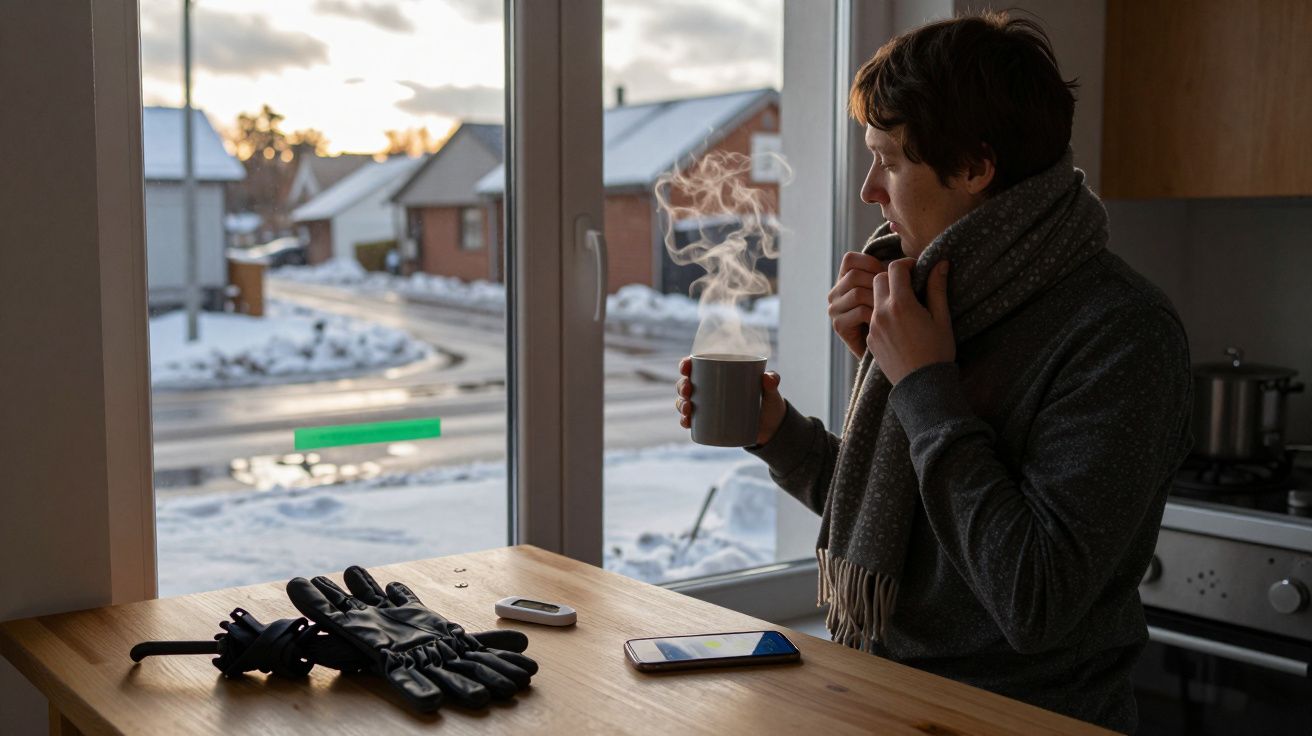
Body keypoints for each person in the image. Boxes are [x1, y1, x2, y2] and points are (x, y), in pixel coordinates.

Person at [675, 11, 1191, 733]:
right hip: (881, 701)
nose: (868, 191)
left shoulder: (1121, 333)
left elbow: (1033, 598)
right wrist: (775, 433)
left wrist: (921, 386)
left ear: (976, 167)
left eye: (888, 160)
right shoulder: (930, 295)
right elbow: (898, 523)